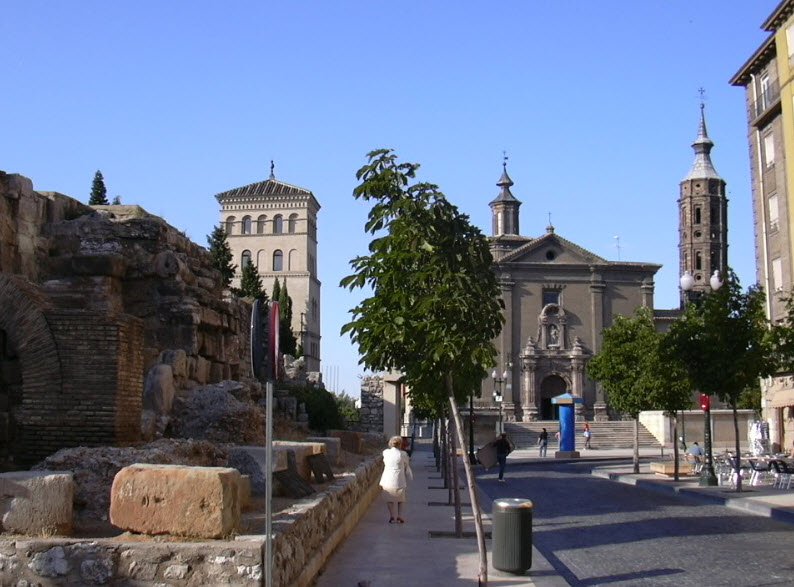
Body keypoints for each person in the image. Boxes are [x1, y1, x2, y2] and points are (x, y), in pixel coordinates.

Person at [379, 435, 413, 524]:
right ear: (400, 444)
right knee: (401, 499)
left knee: (389, 498)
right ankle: (399, 516)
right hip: (399, 479)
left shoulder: (385, 452)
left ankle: (392, 516)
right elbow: (406, 464)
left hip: (387, 479)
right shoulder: (403, 454)